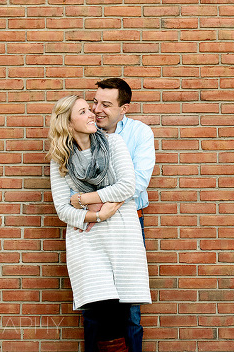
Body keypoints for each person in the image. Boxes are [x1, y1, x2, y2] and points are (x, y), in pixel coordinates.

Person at [48, 95, 151, 352]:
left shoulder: (113, 143)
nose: (92, 114)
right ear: (69, 124)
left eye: (89, 109)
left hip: (121, 236)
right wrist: (98, 215)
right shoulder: (60, 159)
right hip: (87, 240)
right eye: (83, 112)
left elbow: (127, 186)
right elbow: (63, 209)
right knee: (99, 310)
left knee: (121, 313)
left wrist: (83, 198)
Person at [90, 78, 155, 352]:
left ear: (124, 108)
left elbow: (138, 182)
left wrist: (108, 203)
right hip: (91, 225)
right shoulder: (84, 130)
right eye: (94, 102)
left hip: (129, 221)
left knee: (129, 306)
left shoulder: (140, 133)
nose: (97, 109)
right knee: (94, 303)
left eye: (106, 104)